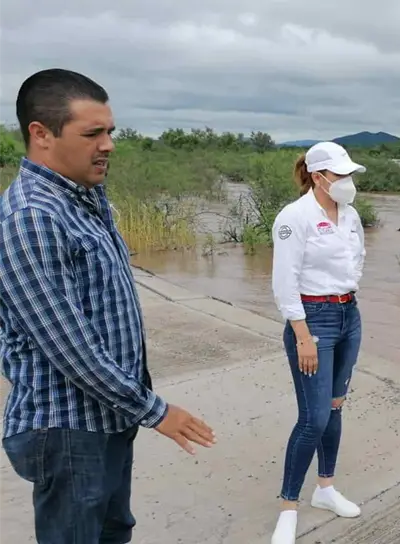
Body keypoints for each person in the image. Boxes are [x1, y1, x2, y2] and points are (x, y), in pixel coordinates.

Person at [0, 69, 216, 543]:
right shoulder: (34, 216)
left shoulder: (86, 197)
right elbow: (68, 345)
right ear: (41, 134)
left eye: (110, 131)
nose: (109, 145)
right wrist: (156, 410)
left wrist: (132, 406)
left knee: (114, 531)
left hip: (107, 416)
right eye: (92, 133)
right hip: (68, 428)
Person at [269, 141, 367, 544]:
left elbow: (357, 260)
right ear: (317, 176)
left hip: (349, 315)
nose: (346, 181)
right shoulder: (294, 218)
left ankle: (324, 489)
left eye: (348, 174)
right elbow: (283, 282)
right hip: (313, 320)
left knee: (335, 408)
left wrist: (346, 296)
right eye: (339, 174)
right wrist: (303, 335)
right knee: (314, 418)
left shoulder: (350, 215)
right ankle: (288, 508)